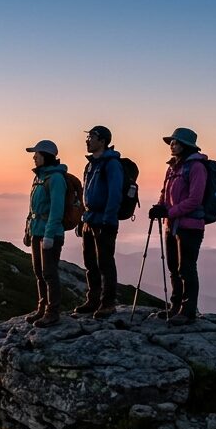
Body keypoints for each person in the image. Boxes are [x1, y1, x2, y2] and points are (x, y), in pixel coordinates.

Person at [149, 127, 209, 326]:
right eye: (171, 142)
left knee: (187, 268)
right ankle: (175, 306)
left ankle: (188, 310)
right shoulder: (173, 167)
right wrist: (159, 207)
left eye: (175, 142)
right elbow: (164, 193)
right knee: (173, 267)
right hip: (172, 225)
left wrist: (169, 212)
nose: (171, 145)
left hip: (190, 226)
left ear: (186, 145)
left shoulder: (197, 167)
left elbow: (195, 199)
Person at [74, 125, 123, 318]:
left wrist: (107, 220)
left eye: (91, 137)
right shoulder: (90, 165)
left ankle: (107, 303)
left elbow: (115, 194)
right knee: (90, 262)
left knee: (105, 262)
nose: (87, 140)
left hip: (104, 220)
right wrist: (82, 218)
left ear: (102, 141)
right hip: (90, 219)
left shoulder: (111, 164)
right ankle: (93, 300)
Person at [23, 139, 68, 327]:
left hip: (50, 233)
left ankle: (53, 311)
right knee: (39, 272)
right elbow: (33, 207)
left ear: (46, 156)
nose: (34, 157)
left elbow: (56, 210)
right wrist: (28, 230)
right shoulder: (39, 177)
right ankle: (42, 308)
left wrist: (49, 235)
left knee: (49, 273)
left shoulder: (55, 178)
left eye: (37, 154)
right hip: (36, 231)